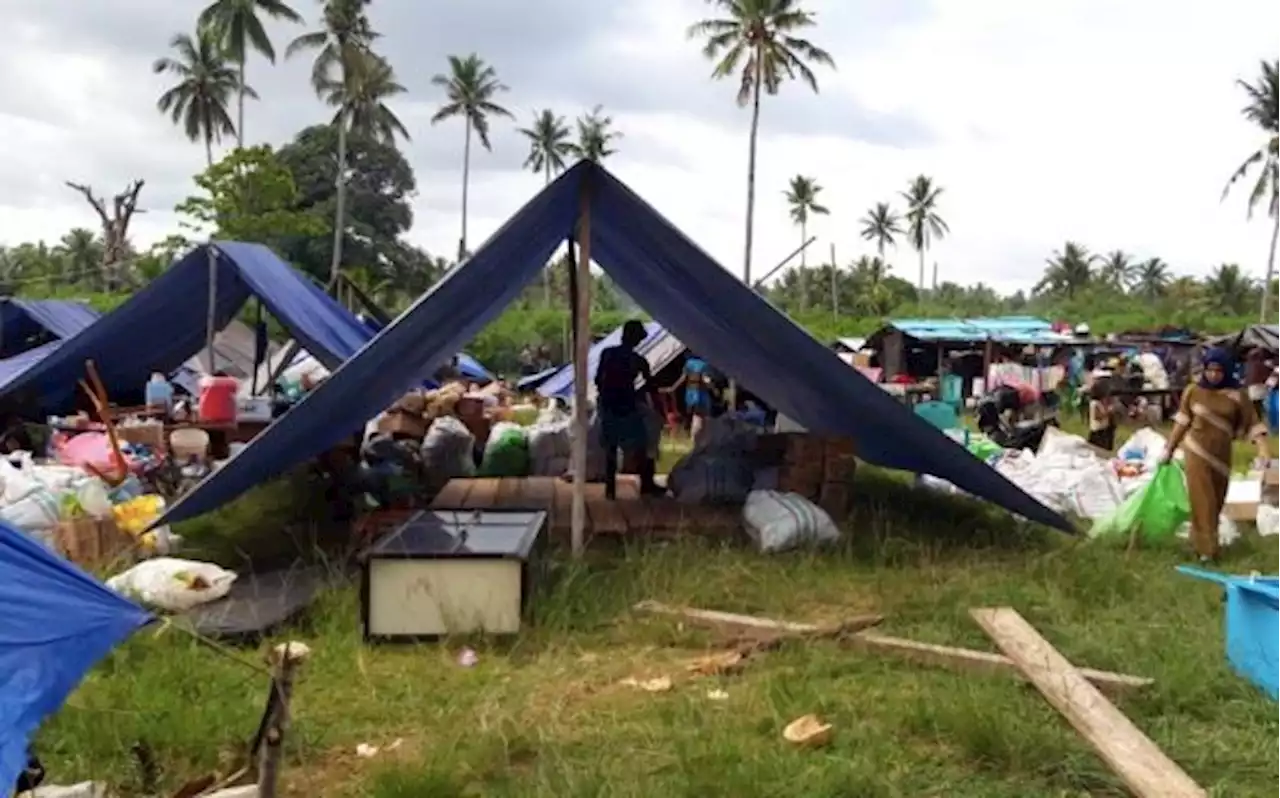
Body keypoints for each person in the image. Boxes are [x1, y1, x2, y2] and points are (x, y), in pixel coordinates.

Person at [1162, 348, 1271, 563]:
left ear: (1227, 371)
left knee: (1217, 502)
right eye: (1209, 370)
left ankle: (1199, 543)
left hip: (1221, 458)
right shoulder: (1193, 391)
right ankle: (1208, 553)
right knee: (1203, 501)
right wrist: (1169, 449)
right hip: (1196, 453)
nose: (1213, 375)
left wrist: (1263, 449)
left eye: (1218, 371)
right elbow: (1181, 423)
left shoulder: (1238, 395)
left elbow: (1252, 423)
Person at [595, 320, 662, 499]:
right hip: (627, 406)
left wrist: (607, 394)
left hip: (609, 404)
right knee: (642, 444)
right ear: (637, 340)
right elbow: (651, 386)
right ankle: (646, 484)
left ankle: (610, 490)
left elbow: (598, 379)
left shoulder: (607, 353)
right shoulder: (638, 361)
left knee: (611, 447)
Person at [662, 353, 713, 440]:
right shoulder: (705, 364)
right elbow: (705, 379)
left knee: (694, 416)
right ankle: (697, 439)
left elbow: (683, 378)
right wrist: (712, 386)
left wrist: (673, 388)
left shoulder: (689, 363)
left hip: (690, 393)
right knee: (701, 417)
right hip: (700, 393)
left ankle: (693, 438)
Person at [1086, 381, 1117, 450]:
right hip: (1097, 432)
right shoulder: (1094, 403)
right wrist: (1108, 411)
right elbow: (1098, 416)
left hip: (1104, 431)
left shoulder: (1102, 403)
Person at [1245, 347, 1269, 416]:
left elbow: (1247, 375)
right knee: (1260, 402)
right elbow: (1266, 374)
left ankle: (1258, 415)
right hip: (1259, 385)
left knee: (1256, 403)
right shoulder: (1260, 364)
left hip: (1253, 386)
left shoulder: (1249, 364)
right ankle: (1259, 415)